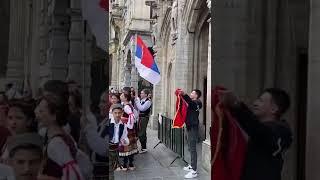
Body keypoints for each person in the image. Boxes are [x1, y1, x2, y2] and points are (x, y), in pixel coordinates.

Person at [219, 88, 292, 180]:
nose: (255, 103)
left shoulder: (281, 132)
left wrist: (236, 105)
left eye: (261, 101)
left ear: (274, 109)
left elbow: (260, 132)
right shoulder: (258, 129)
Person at [35, 93, 84, 180]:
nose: (37, 113)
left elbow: (73, 175)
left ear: (54, 115)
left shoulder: (56, 143)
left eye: (41, 111)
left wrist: (42, 177)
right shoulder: (59, 136)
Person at [179, 89, 202, 179]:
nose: (191, 93)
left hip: (193, 127)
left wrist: (185, 95)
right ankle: (191, 165)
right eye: (191, 92)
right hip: (188, 126)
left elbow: (191, 104)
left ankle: (194, 171)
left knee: (192, 148)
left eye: (193, 93)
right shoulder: (192, 102)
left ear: (196, 95)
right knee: (189, 146)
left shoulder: (198, 103)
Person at [108, 104, 129, 177]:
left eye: (119, 113)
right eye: (115, 113)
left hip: (115, 149)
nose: (117, 115)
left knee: (112, 169)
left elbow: (124, 137)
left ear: (122, 113)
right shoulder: (107, 123)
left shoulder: (123, 125)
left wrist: (125, 141)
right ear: (112, 113)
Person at [118, 93, 138, 170]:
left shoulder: (126, 106)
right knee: (130, 145)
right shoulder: (128, 105)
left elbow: (132, 115)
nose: (120, 96)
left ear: (125, 98)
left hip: (126, 128)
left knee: (126, 145)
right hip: (129, 128)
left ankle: (126, 165)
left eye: (122, 96)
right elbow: (135, 114)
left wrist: (128, 124)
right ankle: (130, 164)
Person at [134, 89, 152, 153]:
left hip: (144, 118)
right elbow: (139, 110)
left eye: (142, 93)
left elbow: (142, 108)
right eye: (141, 93)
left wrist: (137, 101)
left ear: (146, 95)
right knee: (140, 132)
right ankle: (143, 147)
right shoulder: (142, 100)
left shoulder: (148, 101)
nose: (140, 94)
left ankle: (144, 148)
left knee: (141, 133)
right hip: (140, 118)